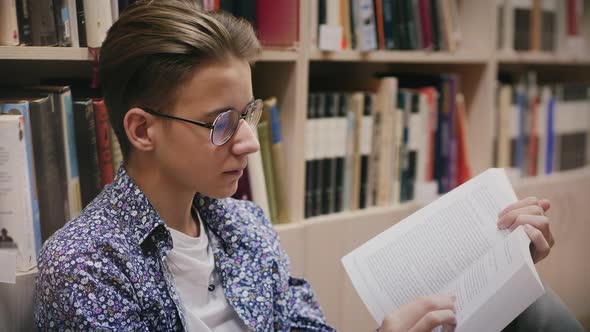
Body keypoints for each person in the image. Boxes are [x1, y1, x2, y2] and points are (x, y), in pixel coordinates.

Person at [34, 1, 584, 331]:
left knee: (531, 309)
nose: (248, 143)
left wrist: (500, 267)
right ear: (142, 129)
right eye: (221, 123)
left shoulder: (243, 227)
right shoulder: (87, 265)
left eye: (248, 114)